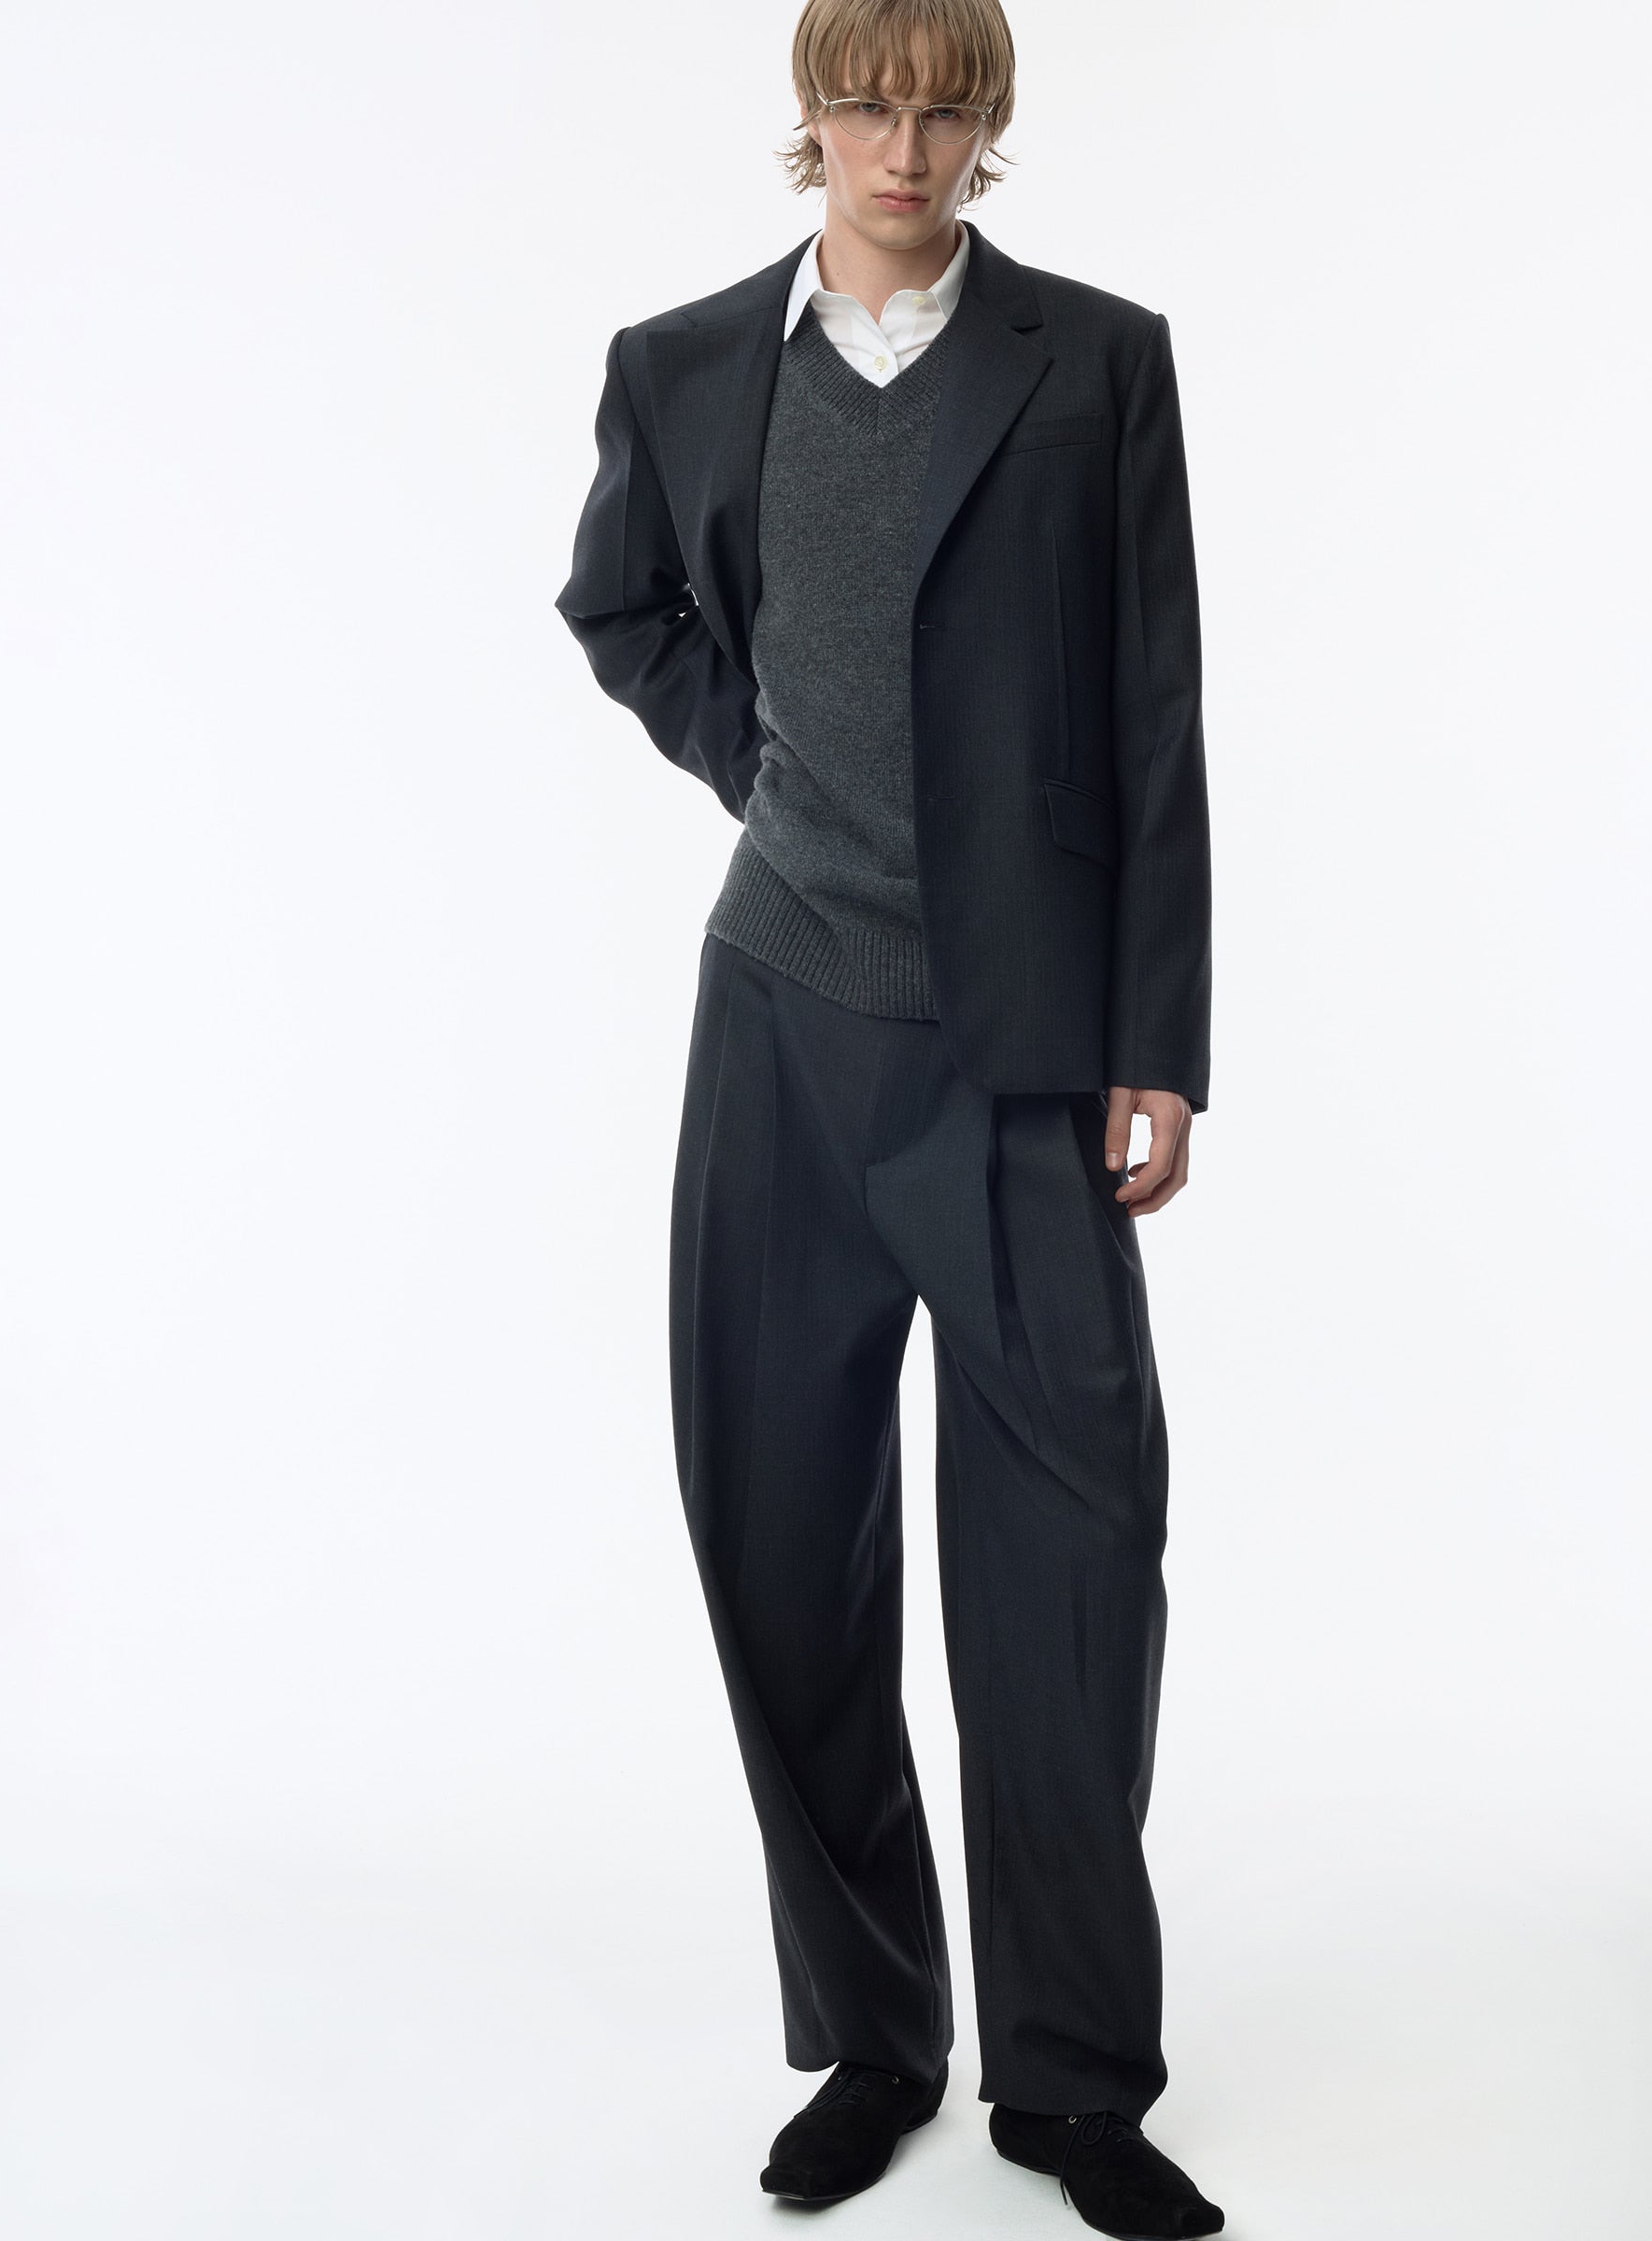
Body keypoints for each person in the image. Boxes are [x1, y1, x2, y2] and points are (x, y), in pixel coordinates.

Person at [554, 1, 1220, 2232]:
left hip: (1023, 1052)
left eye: (948, 107)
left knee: (1071, 1572)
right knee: (780, 1550)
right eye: (870, 101)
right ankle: (874, 2038)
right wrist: (754, 757)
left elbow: (1156, 713)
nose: (906, 145)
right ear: (813, 113)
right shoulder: (678, 365)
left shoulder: (1097, 362)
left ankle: (1075, 2088)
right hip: (780, 1030)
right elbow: (619, 601)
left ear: (988, 122)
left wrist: (1156, 1037)